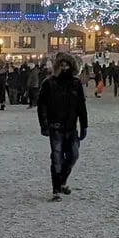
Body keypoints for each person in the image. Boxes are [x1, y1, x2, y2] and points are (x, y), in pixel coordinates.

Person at [38, 52, 88, 199]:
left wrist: (84, 125)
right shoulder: (49, 84)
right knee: (57, 157)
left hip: (71, 126)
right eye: (61, 65)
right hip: (55, 126)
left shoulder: (76, 83)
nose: (64, 67)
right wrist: (44, 124)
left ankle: (62, 181)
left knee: (73, 155)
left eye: (67, 64)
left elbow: (81, 106)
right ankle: (56, 188)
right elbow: (42, 106)